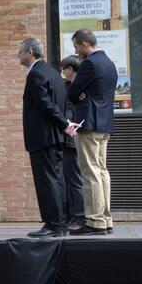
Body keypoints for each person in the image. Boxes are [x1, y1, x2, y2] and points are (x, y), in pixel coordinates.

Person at [18, 37, 71, 238]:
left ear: (30, 52)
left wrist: (64, 124)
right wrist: (64, 124)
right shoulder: (52, 73)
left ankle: (53, 224)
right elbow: (60, 103)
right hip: (54, 136)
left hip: (43, 137)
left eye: (20, 52)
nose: (18, 55)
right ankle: (60, 224)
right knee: (57, 180)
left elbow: (45, 104)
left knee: (47, 181)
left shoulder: (36, 74)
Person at [66, 29, 118, 235]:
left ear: (85, 45)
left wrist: (76, 90)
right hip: (104, 124)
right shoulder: (109, 64)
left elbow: (72, 92)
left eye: (77, 47)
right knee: (102, 171)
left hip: (88, 124)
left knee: (90, 173)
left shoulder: (89, 63)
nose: (77, 52)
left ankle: (95, 221)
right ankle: (106, 219)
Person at [60, 55, 86, 229]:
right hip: (73, 138)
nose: (62, 73)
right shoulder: (70, 88)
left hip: (74, 138)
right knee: (71, 179)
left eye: (64, 70)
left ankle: (78, 216)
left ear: (70, 69)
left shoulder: (79, 89)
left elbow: (69, 112)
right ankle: (73, 215)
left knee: (75, 179)